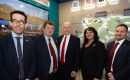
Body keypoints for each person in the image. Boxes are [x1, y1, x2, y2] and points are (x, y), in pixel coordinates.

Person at [0, 10, 35, 80]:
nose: (18, 24)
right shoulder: (2, 42)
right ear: (10, 23)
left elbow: (33, 63)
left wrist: (28, 78)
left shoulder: (30, 42)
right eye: (15, 21)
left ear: (26, 24)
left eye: (21, 21)